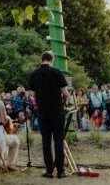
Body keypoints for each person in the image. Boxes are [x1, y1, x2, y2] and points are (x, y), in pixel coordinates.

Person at [28, 51, 69, 179]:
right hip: (57, 110)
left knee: (46, 141)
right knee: (58, 140)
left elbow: (33, 95)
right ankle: (61, 171)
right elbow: (66, 93)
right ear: (52, 59)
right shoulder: (56, 72)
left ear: (42, 59)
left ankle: (49, 171)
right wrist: (64, 102)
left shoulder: (34, 74)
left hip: (42, 112)